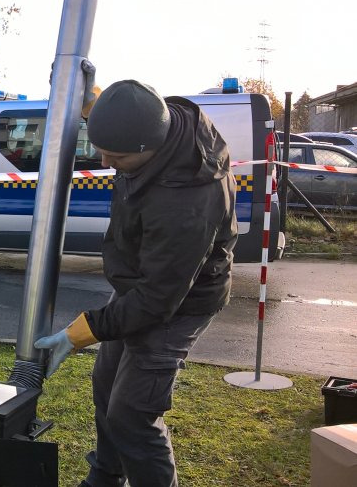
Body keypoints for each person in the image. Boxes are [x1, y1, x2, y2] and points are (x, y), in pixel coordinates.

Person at [34, 80, 237, 487]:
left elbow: (158, 299)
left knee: (132, 413)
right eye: (102, 149)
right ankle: (105, 477)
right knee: (106, 385)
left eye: (118, 156)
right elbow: (124, 109)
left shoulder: (186, 200)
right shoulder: (151, 124)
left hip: (179, 304)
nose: (107, 161)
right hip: (139, 287)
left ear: (149, 148)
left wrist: (79, 333)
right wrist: (88, 95)